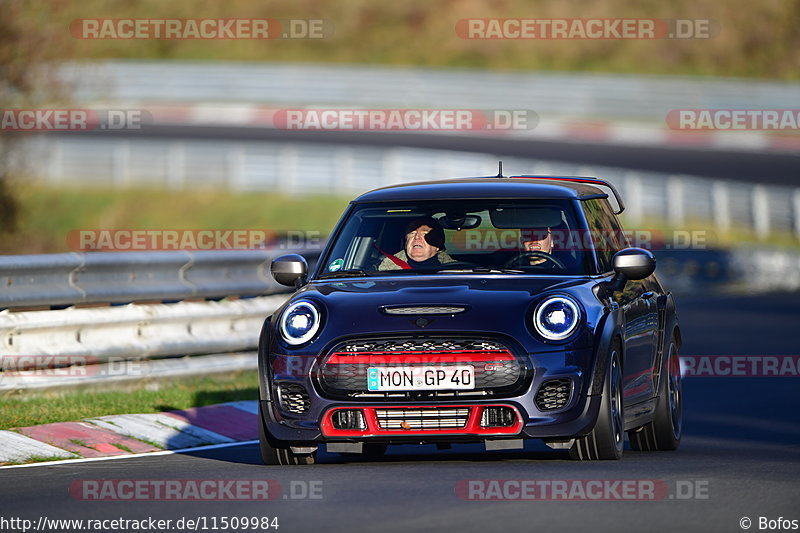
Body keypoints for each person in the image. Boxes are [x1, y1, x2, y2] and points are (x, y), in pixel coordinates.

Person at [377, 217, 455, 270]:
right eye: (412, 233)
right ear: (406, 242)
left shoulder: (455, 274)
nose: (417, 237)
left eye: (424, 233)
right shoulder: (385, 272)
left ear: (438, 244)